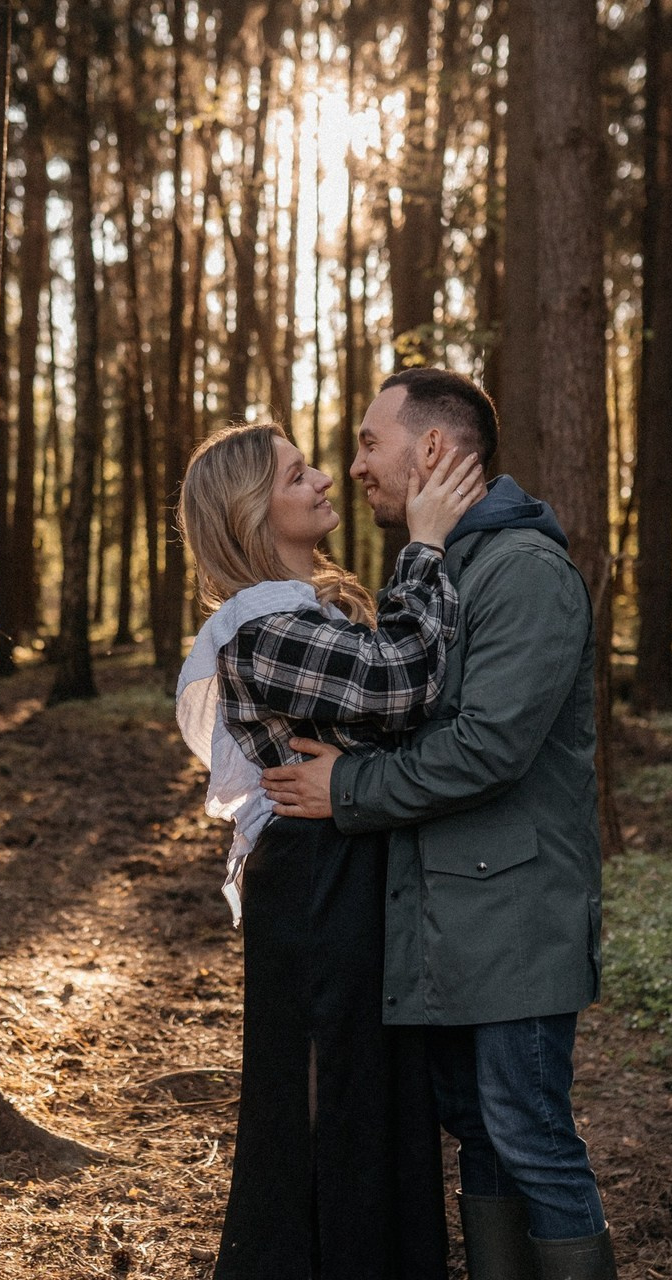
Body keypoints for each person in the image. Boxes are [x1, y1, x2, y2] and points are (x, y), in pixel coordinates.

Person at [261, 368, 619, 1280]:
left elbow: (488, 748)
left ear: (430, 449)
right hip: (451, 917)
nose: (355, 468)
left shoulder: (524, 574)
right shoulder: (444, 569)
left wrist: (350, 788)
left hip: (517, 918)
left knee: (529, 1135)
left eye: (369, 443)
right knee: (484, 1135)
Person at [175, 421, 486, 1280]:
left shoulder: (308, 609)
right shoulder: (259, 624)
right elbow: (401, 682)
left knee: (370, 1094)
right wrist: (425, 544)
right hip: (316, 880)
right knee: (325, 1099)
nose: (322, 481)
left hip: (344, 863)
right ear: (250, 513)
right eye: (296, 474)